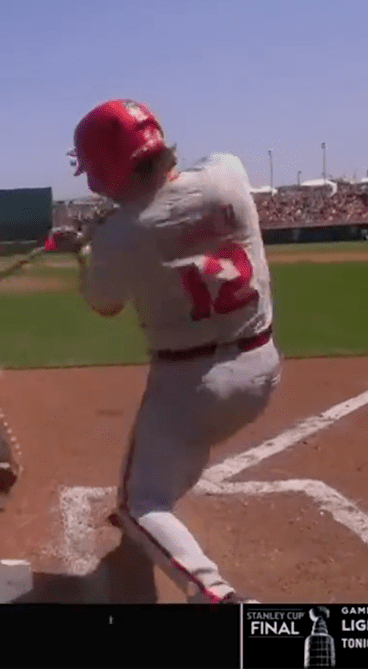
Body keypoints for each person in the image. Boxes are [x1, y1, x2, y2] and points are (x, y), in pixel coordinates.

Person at [60, 98, 281, 604]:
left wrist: (86, 250)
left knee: (142, 503)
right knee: (161, 447)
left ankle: (215, 595)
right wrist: (117, 223)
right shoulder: (228, 173)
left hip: (192, 388)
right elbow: (178, 201)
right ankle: (144, 509)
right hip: (263, 365)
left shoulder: (120, 235)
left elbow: (104, 304)